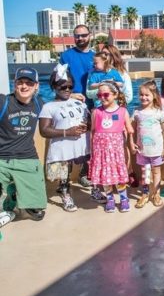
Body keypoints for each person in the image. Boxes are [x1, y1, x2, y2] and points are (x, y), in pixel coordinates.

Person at [39, 65, 90, 212]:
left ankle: (94, 190)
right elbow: (44, 130)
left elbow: (89, 120)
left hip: (81, 145)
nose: (67, 89)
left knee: (87, 165)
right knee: (63, 171)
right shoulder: (48, 107)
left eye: (70, 87)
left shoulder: (79, 102)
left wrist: (87, 126)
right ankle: (65, 193)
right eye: (63, 87)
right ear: (54, 87)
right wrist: (67, 132)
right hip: (63, 146)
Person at [0, 67, 46, 222]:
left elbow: (56, 103)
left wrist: (70, 95)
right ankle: (11, 193)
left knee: (37, 208)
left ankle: (18, 194)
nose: (24, 86)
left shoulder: (39, 103)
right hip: (2, 158)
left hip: (27, 157)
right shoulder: (4, 102)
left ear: (36, 86)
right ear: (15, 84)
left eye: (29, 83)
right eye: (20, 82)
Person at [89, 82, 133, 213]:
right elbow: (93, 132)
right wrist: (92, 151)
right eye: (99, 95)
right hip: (101, 153)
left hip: (116, 153)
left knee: (119, 176)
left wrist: (131, 145)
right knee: (105, 177)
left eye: (106, 94)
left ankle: (124, 198)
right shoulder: (96, 112)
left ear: (115, 94)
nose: (102, 98)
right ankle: (110, 199)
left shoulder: (123, 111)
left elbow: (129, 130)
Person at [59, 24, 95, 187]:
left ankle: (84, 173)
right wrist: (70, 95)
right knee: (68, 142)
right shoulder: (66, 56)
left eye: (83, 35)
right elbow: (57, 80)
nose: (80, 38)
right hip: (70, 105)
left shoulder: (95, 57)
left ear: (90, 35)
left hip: (92, 106)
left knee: (89, 141)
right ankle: (64, 181)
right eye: (77, 35)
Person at [130, 81, 164, 209]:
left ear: (154, 96)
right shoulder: (137, 112)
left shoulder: (159, 113)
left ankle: (156, 193)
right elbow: (132, 130)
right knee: (145, 172)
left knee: (156, 171)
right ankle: (145, 193)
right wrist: (132, 143)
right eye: (141, 94)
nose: (143, 97)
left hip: (156, 150)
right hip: (142, 150)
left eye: (147, 95)